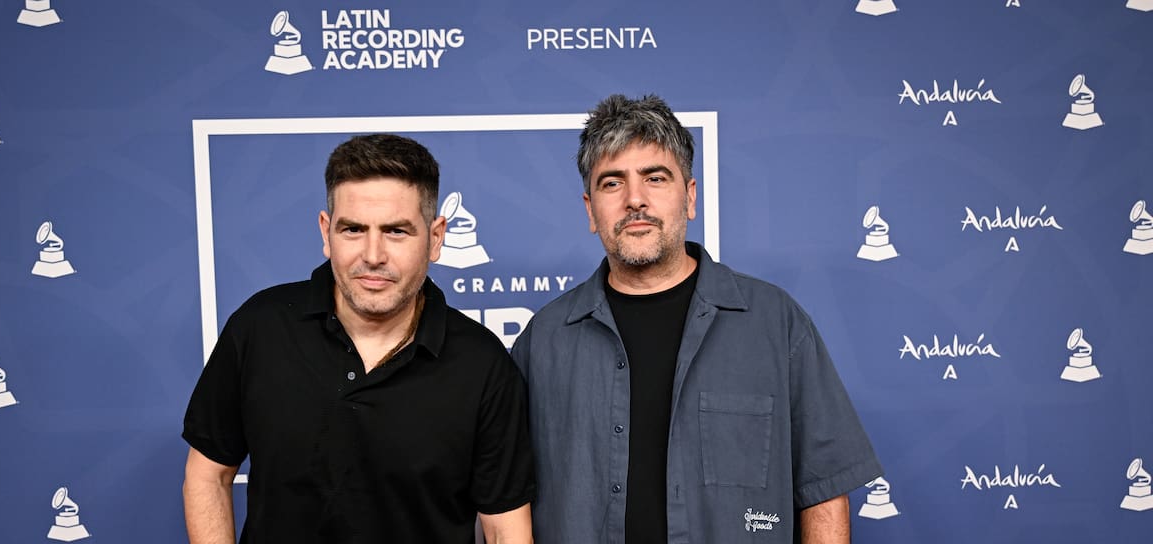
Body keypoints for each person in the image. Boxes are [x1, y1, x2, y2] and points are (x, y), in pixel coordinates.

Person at [511, 95, 883, 543]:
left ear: (689, 196)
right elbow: (504, 503)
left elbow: (823, 494)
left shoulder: (775, 323)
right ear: (591, 210)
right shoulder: (544, 340)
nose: (635, 200)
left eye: (655, 178)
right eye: (613, 183)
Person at [182, 134, 535, 543]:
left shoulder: (482, 363)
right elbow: (207, 474)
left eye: (396, 231)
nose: (372, 254)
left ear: (436, 237)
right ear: (326, 231)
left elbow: (505, 527)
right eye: (352, 229)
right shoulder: (260, 327)